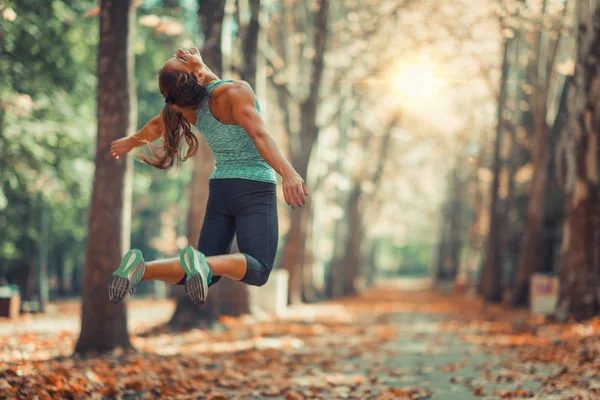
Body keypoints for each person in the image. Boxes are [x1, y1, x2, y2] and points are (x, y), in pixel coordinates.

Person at [106, 48, 306, 305]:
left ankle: (141, 269)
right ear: (198, 76)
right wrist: (288, 173)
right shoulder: (236, 91)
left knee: (205, 272)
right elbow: (259, 135)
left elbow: (158, 125)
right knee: (259, 269)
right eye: (180, 59)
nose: (181, 51)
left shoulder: (186, 105)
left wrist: (130, 142)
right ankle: (199, 262)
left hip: (221, 188)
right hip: (253, 187)